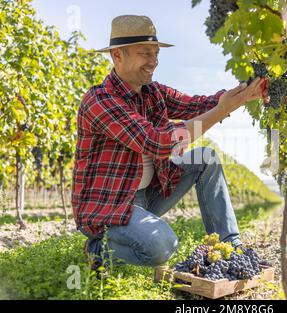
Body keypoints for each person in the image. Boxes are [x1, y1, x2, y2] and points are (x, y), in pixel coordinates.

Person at [71, 15, 267, 270]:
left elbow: (199, 105)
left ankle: (230, 247)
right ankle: (98, 247)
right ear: (117, 55)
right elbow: (160, 143)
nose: (154, 61)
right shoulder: (100, 101)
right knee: (162, 246)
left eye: (155, 53)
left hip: (148, 197)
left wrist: (243, 94)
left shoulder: (154, 92)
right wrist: (221, 111)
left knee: (205, 158)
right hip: (110, 207)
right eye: (145, 53)